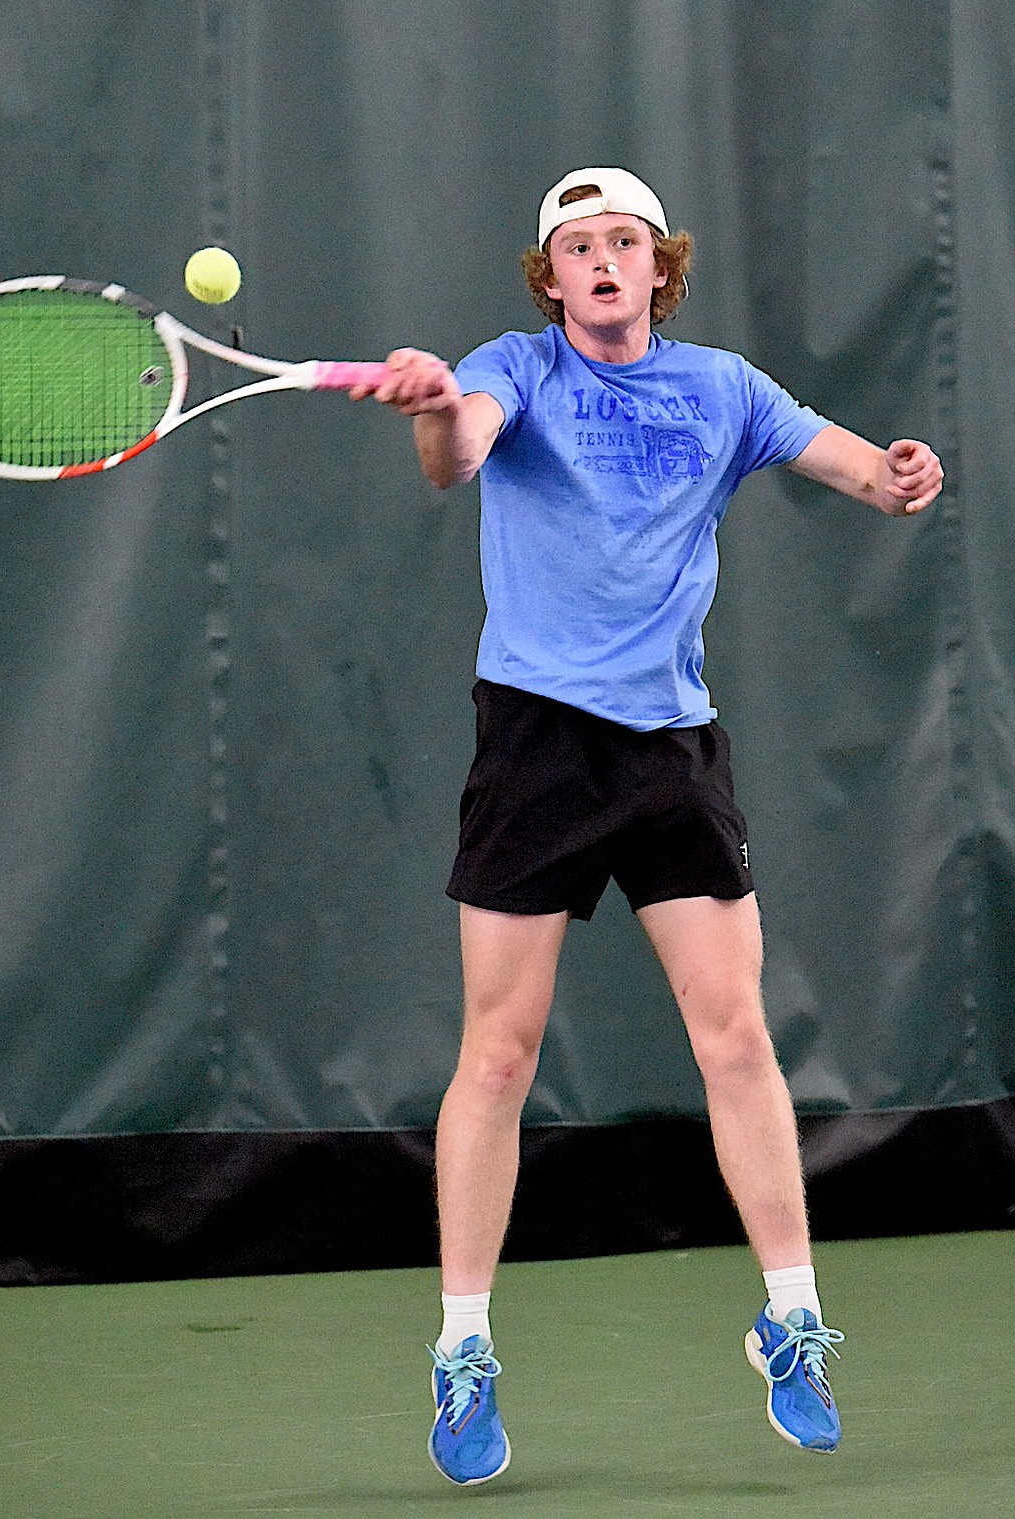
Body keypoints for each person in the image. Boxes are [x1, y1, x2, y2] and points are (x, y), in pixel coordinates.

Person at [350, 166, 943, 1486]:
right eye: (578, 247)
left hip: (669, 751)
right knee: (496, 1061)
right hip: (536, 746)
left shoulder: (722, 387)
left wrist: (905, 476)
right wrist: (435, 408)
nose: (603, 260)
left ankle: (790, 1321)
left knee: (735, 1037)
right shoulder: (509, 365)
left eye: (624, 241)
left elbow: (863, 473)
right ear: (550, 277)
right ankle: (461, 1351)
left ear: (655, 269)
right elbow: (459, 456)